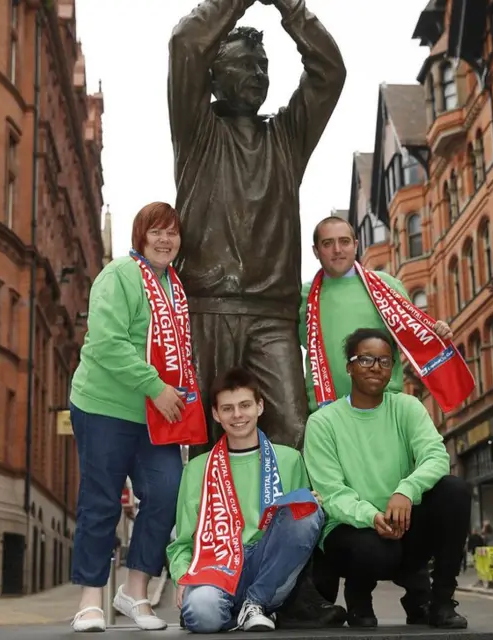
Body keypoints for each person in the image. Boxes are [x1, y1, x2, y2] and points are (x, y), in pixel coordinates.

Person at [168, 0, 346, 452]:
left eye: (263, 66)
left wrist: (293, 8)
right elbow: (186, 44)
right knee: (209, 440)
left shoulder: (287, 138)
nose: (258, 74)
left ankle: (290, 524)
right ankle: (211, 523)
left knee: (294, 433)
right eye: (244, 64)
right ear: (212, 75)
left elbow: (330, 72)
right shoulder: (196, 131)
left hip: (272, 315)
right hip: (209, 308)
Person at [68, 202, 188, 632]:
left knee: (168, 492)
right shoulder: (120, 275)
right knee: (101, 500)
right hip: (103, 405)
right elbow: (105, 343)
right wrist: (155, 386)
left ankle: (135, 592)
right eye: (156, 231)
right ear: (140, 236)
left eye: (172, 233)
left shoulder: (176, 287)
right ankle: (89, 600)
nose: (164, 240)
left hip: (155, 416)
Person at [303, 328, 471, 629]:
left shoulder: (407, 407)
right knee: (371, 549)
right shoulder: (323, 422)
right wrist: (372, 516)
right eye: (365, 360)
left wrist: (407, 491)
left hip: (403, 523)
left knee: (454, 491)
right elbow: (331, 493)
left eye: (384, 361)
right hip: (351, 533)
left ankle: (441, 601)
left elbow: (436, 457)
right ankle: (358, 596)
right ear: (349, 366)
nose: (376, 368)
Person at [167, 367, 334, 633]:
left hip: (268, 566)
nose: (237, 415)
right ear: (216, 414)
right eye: (228, 408)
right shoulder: (198, 468)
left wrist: (307, 503)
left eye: (245, 405)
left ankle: (255, 603)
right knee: (201, 613)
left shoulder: (289, 459)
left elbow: (298, 536)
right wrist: (182, 576)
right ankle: (245, 612)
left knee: (307, 511)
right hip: (217, 565)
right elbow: (182, 541)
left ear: (260, 406)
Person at [299, 216, 453, 414]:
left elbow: (416, 336)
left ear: (355, 245)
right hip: (326, 412)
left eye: (344, 241)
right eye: (328, 243)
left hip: (383, 409)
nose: (337, 249)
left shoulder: (386, 286)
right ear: (315, 251)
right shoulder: (303, 297)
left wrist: (438, 332)